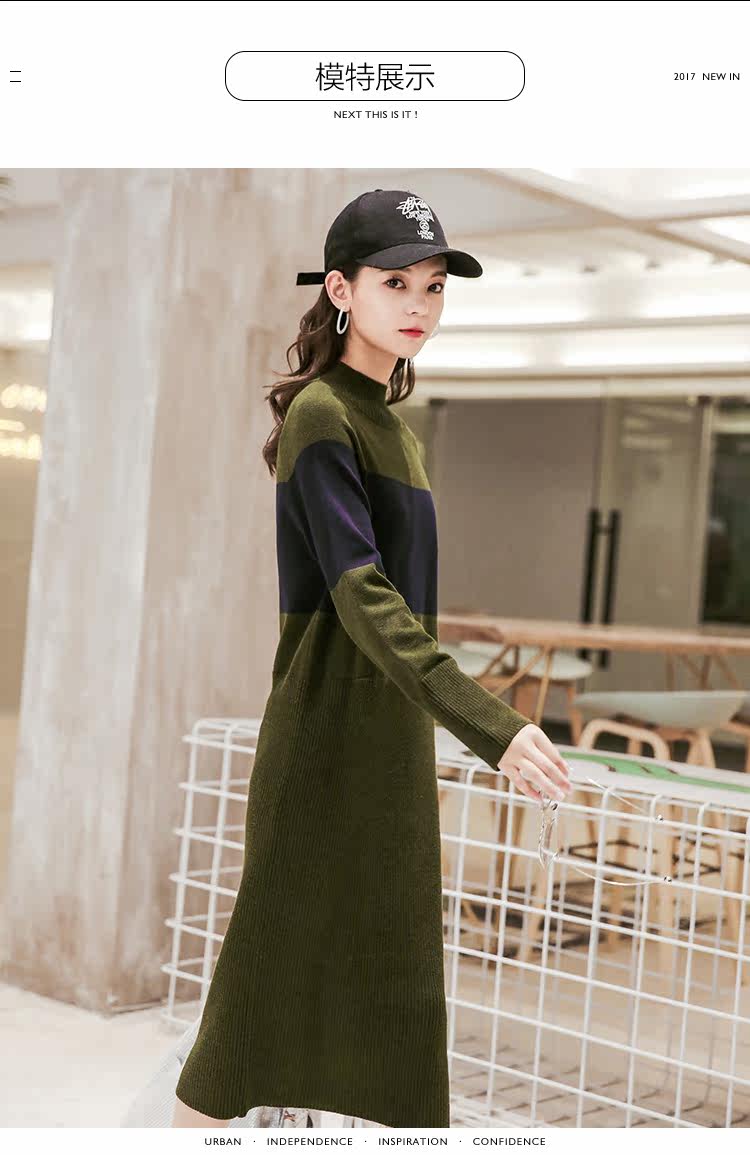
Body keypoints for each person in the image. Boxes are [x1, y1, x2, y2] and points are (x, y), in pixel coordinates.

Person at [167, 189, 572, 1129]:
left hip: (389, 746)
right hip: (322, 747)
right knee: (248, 1022)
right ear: (342, 290)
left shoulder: (393, 425)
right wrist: (494, 727)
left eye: (434, 286)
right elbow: (362, 594)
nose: (420, 304)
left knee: (398, 1011)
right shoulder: (323, 414)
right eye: (397, 283)